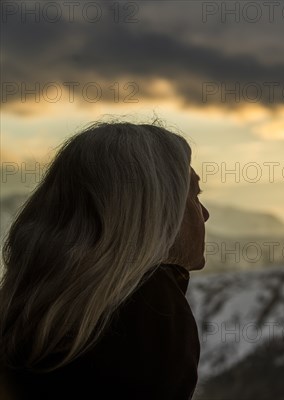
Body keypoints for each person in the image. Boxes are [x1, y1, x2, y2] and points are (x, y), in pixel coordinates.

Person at [0, 121, 210, 399]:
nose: (204, 213)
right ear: (154, 211)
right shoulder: (147, 310)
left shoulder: (33, 308)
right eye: (193, 195)